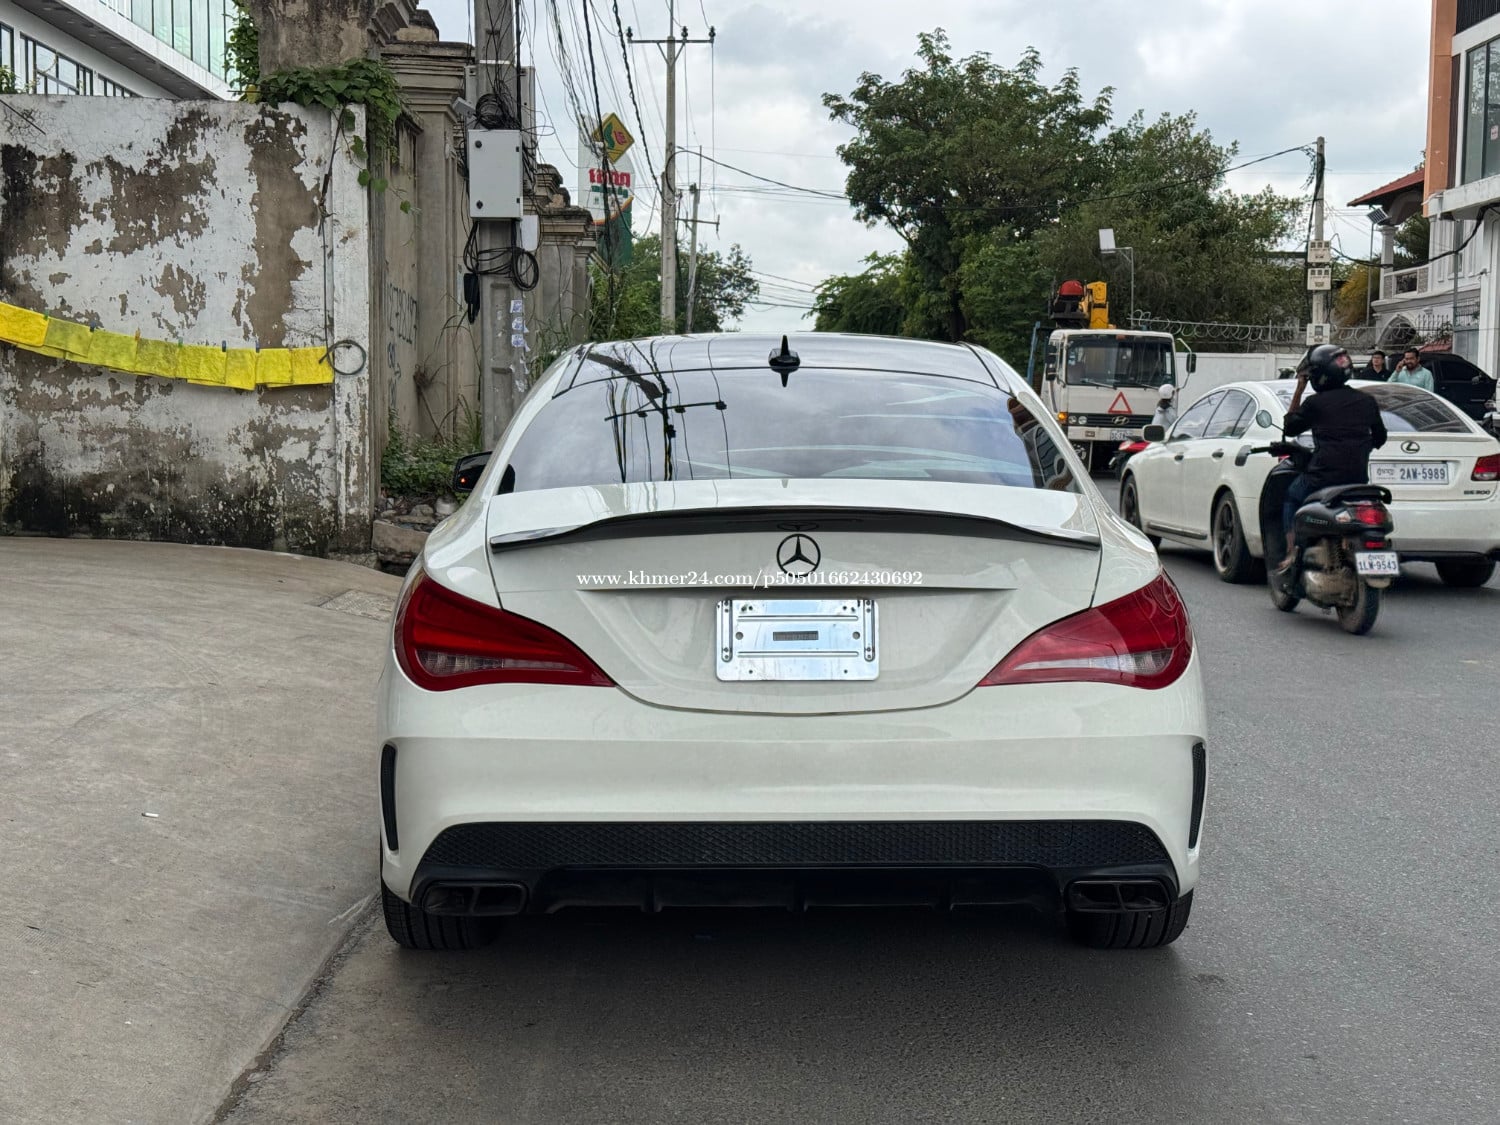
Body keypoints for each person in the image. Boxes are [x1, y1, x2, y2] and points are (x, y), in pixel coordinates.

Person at [1277, 344, 1388, 571]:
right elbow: (1380, 437)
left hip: (1322, 476)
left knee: (1291, 497)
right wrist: (1361, 447)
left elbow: (1290, 427)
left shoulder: (1315, 403)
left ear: (1320, 375)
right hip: (1357, 478)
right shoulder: (1367, 400)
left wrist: (1299, 388)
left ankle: (1291, 552)